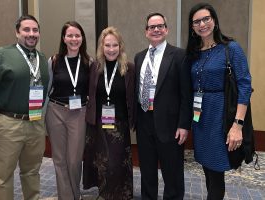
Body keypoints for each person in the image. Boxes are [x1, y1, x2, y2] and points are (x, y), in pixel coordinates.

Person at [0, 15, 49, 200]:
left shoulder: (41, 57)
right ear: (17, 32)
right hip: (7, 124)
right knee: (3, 176)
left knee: (32, 172)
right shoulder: (1, 55)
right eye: (26, 30)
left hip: (35, 122)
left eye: (35, 30)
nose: (31, 34)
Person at [186, 3, 252, 199]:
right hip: (201, 119)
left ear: (214, 21)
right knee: (208, 169)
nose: (202, 24)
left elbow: (245, 86)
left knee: (216, 172)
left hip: (220, 117)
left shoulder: (230, 48)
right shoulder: (194, 53)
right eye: (197, 21)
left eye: (206, 19)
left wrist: (237, 125)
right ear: (192, 27)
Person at [134, 13, 193, 199]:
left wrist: (184, 124)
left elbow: (186, 93)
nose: (156, 29)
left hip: (170, 125)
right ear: (146, 32)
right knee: (147, 171)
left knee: (172, 173)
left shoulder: (179, 55)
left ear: (166, 29)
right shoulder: (139, 57)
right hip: (144, 122)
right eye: (152, 27)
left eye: (160, 26)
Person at [82, 26, 134, 200]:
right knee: (102, 163)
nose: (111, 49)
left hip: (120, 124)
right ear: (101, 47)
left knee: (116, 163)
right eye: (107, 45)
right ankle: (105, 194)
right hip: (99, 124)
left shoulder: (129, 69)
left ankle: (120, 194)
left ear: (120, 47)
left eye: (115, 45)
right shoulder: (95, 68)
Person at [45, 21, 91, 200]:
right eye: (70, 35)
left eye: (77, 35)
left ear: (82, 38)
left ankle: (75, 193)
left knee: (73, 160)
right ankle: (66, 197)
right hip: (55, 111)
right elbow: (47, 87)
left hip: (79, 113)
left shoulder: (89, 62)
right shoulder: (54, 60)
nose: (74, 39)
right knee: (59, 159)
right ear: (64, 38)